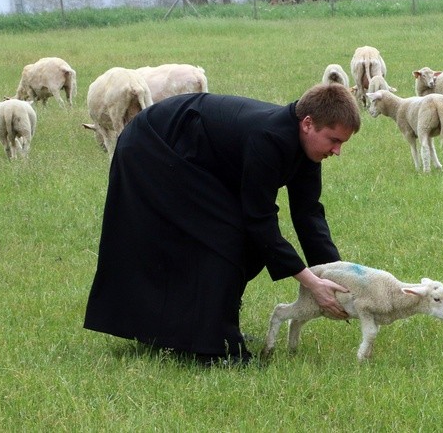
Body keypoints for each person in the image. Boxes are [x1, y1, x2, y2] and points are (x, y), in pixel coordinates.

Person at [83, 83, 361, 365]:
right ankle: (211, 347)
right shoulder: (269, 138)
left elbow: (308, 214)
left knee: (251, 246)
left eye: (342, 143)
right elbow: (259, 221)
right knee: (225, 237)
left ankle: (214, 328)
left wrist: (339, 278)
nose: (337, 151)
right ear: (308, 124)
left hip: (195, 157)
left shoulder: (308, 150)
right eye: (333, 140)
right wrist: (313, 284)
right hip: (153, 145)